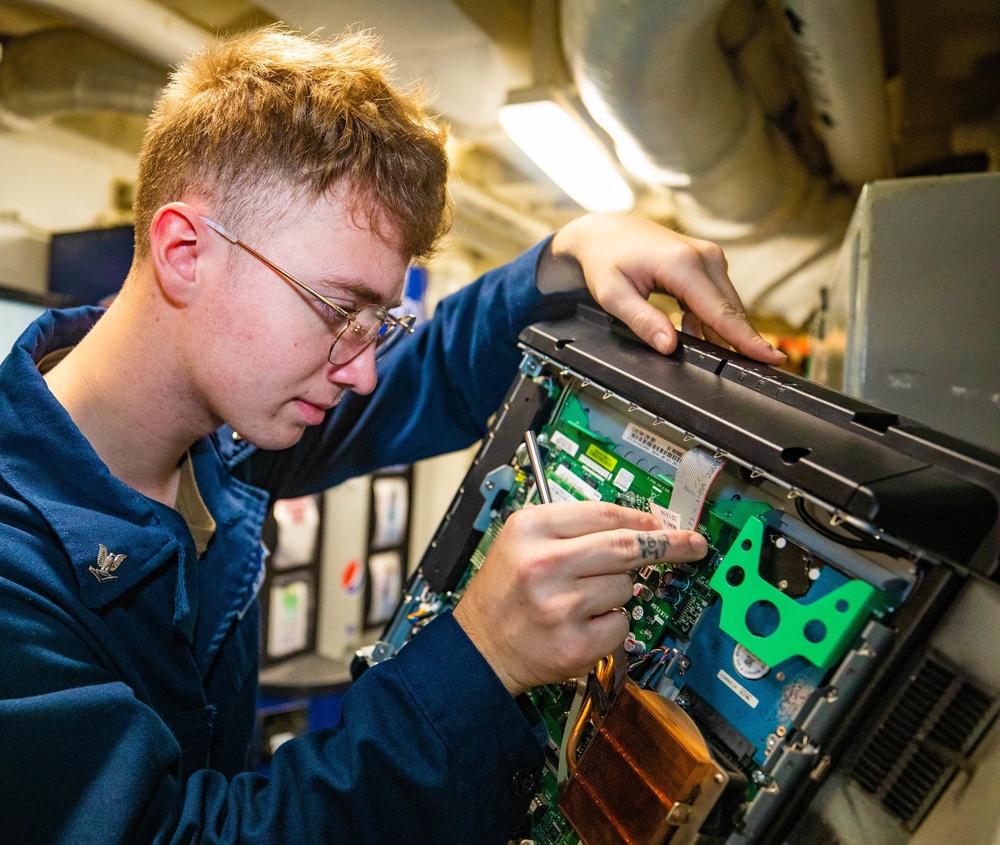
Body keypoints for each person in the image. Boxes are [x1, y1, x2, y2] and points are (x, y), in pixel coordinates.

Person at [0, 26, 786, 845]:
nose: (363, 369)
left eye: (379, 320)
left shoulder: (218, 436)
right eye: (341, 311)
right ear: (186, 251)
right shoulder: (14, 574)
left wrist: (566, 254)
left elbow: (428, 374)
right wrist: (477, 658)